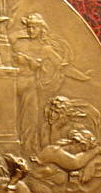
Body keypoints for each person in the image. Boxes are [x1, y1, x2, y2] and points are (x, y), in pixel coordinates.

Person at [13, 13, 91, 152]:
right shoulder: (20, 44)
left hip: (29, 87)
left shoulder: (46, 49)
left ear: (42, 29)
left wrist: (83, 77)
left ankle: (27, 149)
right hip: (11, 84)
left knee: (29, 121)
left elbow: (63, 67)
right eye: (29, 27)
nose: (31, 30)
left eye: (34, 27)